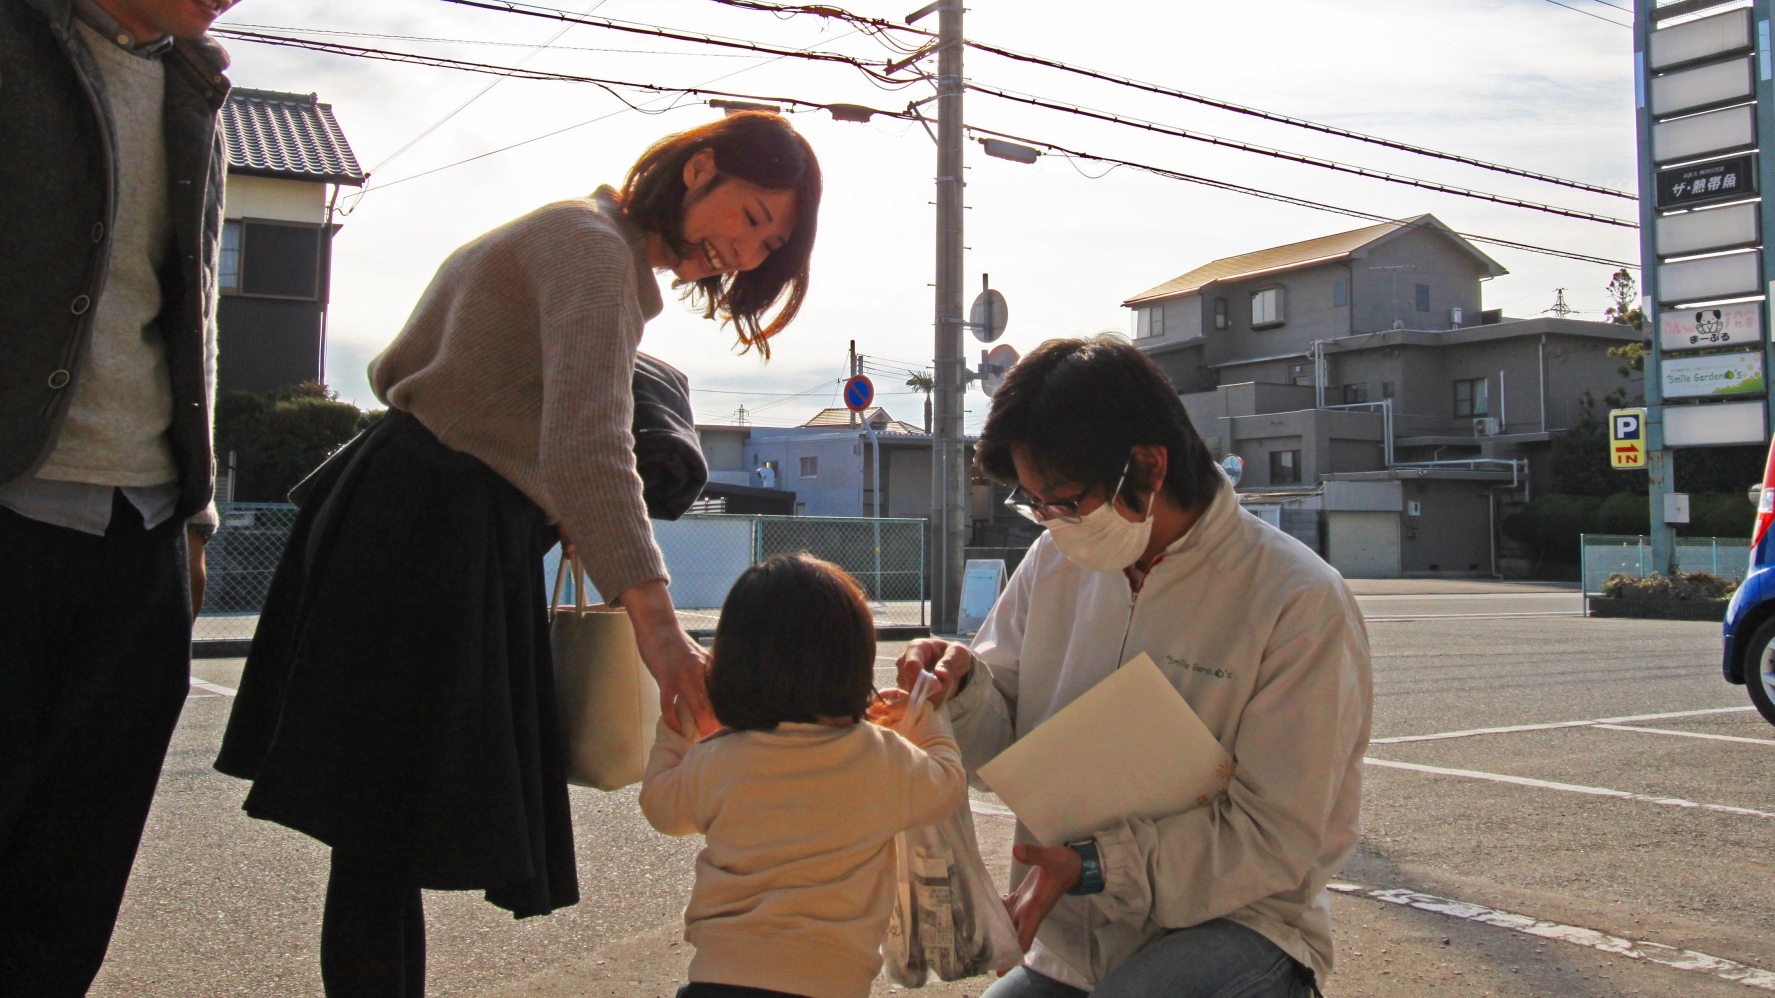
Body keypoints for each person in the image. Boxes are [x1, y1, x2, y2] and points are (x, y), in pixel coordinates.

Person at [214, 112, 823, 998]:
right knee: (382, 831)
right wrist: (662, 634)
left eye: (771, 241)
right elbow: (591, 449)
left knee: (377, 835)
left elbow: (543, 429)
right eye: (755, 216)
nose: (750, 251)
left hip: (412, 513)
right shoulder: (594, 253)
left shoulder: (579, 233)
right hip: (428, 530)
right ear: (700, 171)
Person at [0, 0, 288, 998]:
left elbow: (189, 322)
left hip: (141, 534)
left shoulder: (195, 91)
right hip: (12, 510)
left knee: (72, 884)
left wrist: (195, 522)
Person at [898, 336, 1373, 998]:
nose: (1050, 523)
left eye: (1063, 500)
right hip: (1072, 946)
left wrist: (1096, 866)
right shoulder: (1054, 562)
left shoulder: (1295, 599)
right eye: (1034, 504)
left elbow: (1277, 838)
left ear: (1148, 466)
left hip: (1239, 926)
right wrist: (962, 689)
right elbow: (1000, 749)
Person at [641, 554, 967, 998]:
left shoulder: (719, 759)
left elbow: (662, 808)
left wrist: (678, 728)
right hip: (833, 979)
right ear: (855, 663)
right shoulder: (879, 758)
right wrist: (921, 717)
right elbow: (947, 784)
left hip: (719, 974)